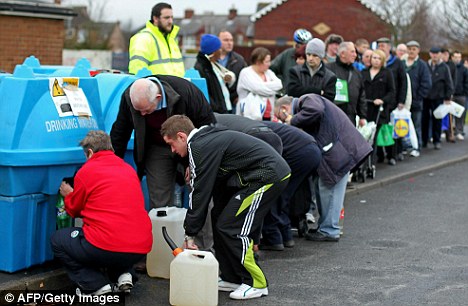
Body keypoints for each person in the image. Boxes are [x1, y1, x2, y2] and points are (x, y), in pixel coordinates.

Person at [161, 115, 291, 300]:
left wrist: (190, 234)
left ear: (182, 136)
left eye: (171, 144)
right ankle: (232, 277)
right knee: (219, 218)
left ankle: (257, 283)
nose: (172, 150)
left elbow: (199, 193)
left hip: (267, 176)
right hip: (254, 178)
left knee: (233, 227)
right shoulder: (205, 140)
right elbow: (216, 186)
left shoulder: (197, 147)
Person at [50, 130, 153, 296]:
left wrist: (69, 195)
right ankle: (124, 274)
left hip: (106, 245)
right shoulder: (128, 170)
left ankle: (95, 285)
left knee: (58, 240)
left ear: (90, 152)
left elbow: (74, 210)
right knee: (115, 233)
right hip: (140, 248)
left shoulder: (87, 171)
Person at [275, 95, 372, 241]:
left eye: (281, 118)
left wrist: (292, 120)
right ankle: (325, 227)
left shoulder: (307, 99)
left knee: (330, 190)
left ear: (284, 109)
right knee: (324, 188)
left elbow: (316, 110)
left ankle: (329, 230)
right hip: (338, 150)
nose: (283, 122)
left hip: (338, 152)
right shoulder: (307, 103)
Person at [110, 76, 216, 210]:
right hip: (156, 147)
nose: (142, 114)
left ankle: (201, 231)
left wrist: (195, 160)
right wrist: (111, 163)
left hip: (189, 147)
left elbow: (207, 127)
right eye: (139, 111)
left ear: (158, 98)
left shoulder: (185, 92)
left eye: (146, 110)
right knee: (159, 196)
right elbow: (120, 131)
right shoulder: (130, 97)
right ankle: (163, 228)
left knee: (199, 191)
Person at [260, 121, 321, 250]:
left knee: (273, 193)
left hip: (299, 153)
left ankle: (273, 238)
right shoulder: (260, 125)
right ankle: (286, 235)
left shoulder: (251, 130)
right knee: (286, 197)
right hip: (311, 151)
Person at [128, 3, 184, 77]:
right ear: (155, 19)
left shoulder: (171, 40)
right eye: (166, 18)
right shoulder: (143, 38)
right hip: (156, 87)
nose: (170, 21)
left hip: (176, 87)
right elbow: (137, 71)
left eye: (171, 17)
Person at [362, 50, 396, 165]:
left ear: (382, 61)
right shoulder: (364, 72)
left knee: (374, 135)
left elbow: (391, 91)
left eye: (378, 58)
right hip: (365, 108)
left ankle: (372, 160)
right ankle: (365, 158)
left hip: (379, 110)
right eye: (374, 58)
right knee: (364, 134)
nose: (376, 60)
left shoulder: (387, 73)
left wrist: (382, 100)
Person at [377, 37, 408, 162]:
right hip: (379, 101)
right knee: (380, 128)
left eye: (383, 45)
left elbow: (403, 82)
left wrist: (401, 100)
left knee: (393, 129)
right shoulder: (377, 61)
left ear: (389, 47)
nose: (381, 48)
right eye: (379, 45)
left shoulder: (397, 63)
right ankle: (380, 154)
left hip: (393, 102)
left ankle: (393, 154)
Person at [326, 41, 367, 126]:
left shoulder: (357, 73)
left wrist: (362, 116)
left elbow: (361, 95)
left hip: (350, 118)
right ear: (342, 54)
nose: (355, 55)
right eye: (352, 52)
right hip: (332, 116)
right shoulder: (328, 69)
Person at [403, 40, 432, 156]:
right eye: (409, 49)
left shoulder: (422, 65)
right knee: (403, 125)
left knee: (416, 125)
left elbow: (426, 83)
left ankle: (417, 146)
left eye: (413, 49)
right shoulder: (402, 63)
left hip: (416, 102)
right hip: (403, 102)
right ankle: (405, 146)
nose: (411, 51)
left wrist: (419, 97)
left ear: (418, 51)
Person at [237, 47, 283, 121]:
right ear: (258, 62)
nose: (269, 64)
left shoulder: (269, 72)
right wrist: (272, 90)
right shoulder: (246, 73)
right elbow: (257, 88)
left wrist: (262, 89)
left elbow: (279, 84)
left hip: (268, 115)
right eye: (267, 62)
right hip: (249, 115)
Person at [194, 34, 236, 114]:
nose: (221, 50)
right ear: (213, 51)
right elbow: (207, 96)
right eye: (219, 48)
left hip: (225, 109)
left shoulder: (213, 65)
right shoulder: (203, 69)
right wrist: (219, 109)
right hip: (218, 113)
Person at [422, 47, 454, 150]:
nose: (435, 55)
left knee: (437, 120)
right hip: (426, 97)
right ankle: (424, 140)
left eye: (437, 53)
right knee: (425, 119)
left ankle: (437, 140)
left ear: (440, 54)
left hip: (438, 97)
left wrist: (448, 97)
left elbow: (449, 83)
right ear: (430, 54)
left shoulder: (444, 67)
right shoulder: (425, 65)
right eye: (433, 53)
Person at [218, 30, 248, 109]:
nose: (229, 43)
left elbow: (246, 80)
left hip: (233, 102)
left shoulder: (239, 60)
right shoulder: (211, 58)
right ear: (218, 41)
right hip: (215, 101)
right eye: (226, 40)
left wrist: (239, 96)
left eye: (231, 40)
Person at [451, 50, 468, 140]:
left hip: (461, 95)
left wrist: (465, 93)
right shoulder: (449, 67)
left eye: (459, 57)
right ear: (452, 57)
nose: (457, 59)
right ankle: (449, 132)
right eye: (456, 57)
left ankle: (459, 131)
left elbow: (466, 82)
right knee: (450, 114)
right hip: (451, 95)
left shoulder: (464, 69)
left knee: (460, 114)